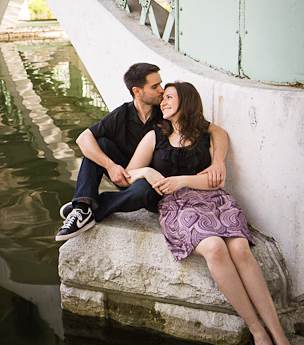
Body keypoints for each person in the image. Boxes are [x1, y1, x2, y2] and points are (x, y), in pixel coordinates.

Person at [124, 81, 304, 345]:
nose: (163, 102)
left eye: (170, 97)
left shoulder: (206, 134)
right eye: (163, 98)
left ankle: (280, 336)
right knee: (214, 247)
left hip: (214, 201)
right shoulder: (155, 136)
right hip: (177, 207)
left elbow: (217, 180)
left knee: (241, 248)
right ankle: (257, 330)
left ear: (186, 102)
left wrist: (185, 178)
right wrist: (145, 171)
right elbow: (128, 174)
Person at [55, 63, 228, 241]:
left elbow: (217, 131)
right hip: (128, 174)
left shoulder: (166, 111)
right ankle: (83, 205)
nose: (162, 91)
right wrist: (111, 166)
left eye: (161, 84)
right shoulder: (122, 114)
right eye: (155, 87)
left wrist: (218, 162)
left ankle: (90, 206)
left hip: (156, 184)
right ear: (137, 91)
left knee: (142, 189)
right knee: (99, 144)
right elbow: (83, 139)